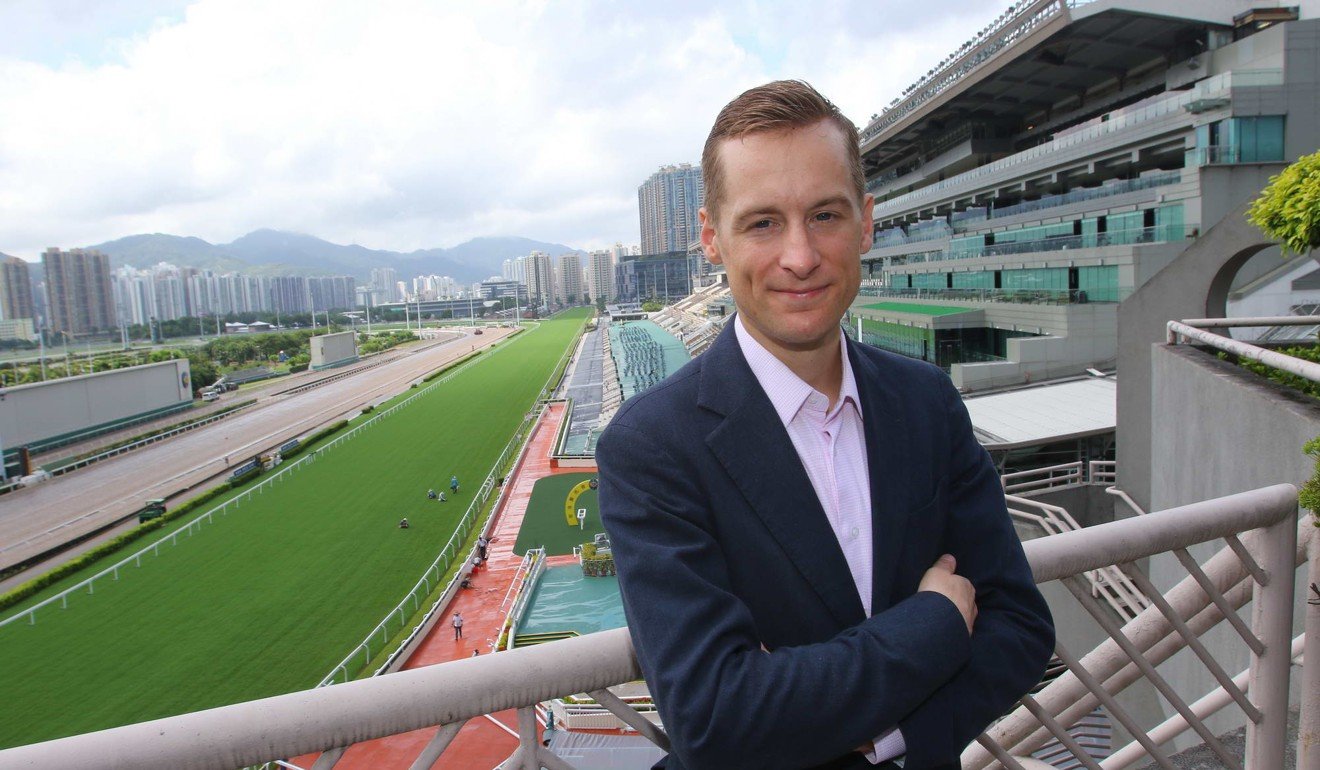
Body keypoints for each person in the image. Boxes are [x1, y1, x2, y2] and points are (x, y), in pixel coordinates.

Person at [597, 81, 1053, 770]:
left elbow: (1019, 626)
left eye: (825, 215)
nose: (801, 256)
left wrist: (879, 728)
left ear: (866, 223)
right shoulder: (651, 447)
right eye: (762, 223)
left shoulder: (927, 401)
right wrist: (934, 624)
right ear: (711, 239)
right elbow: (717, 717)